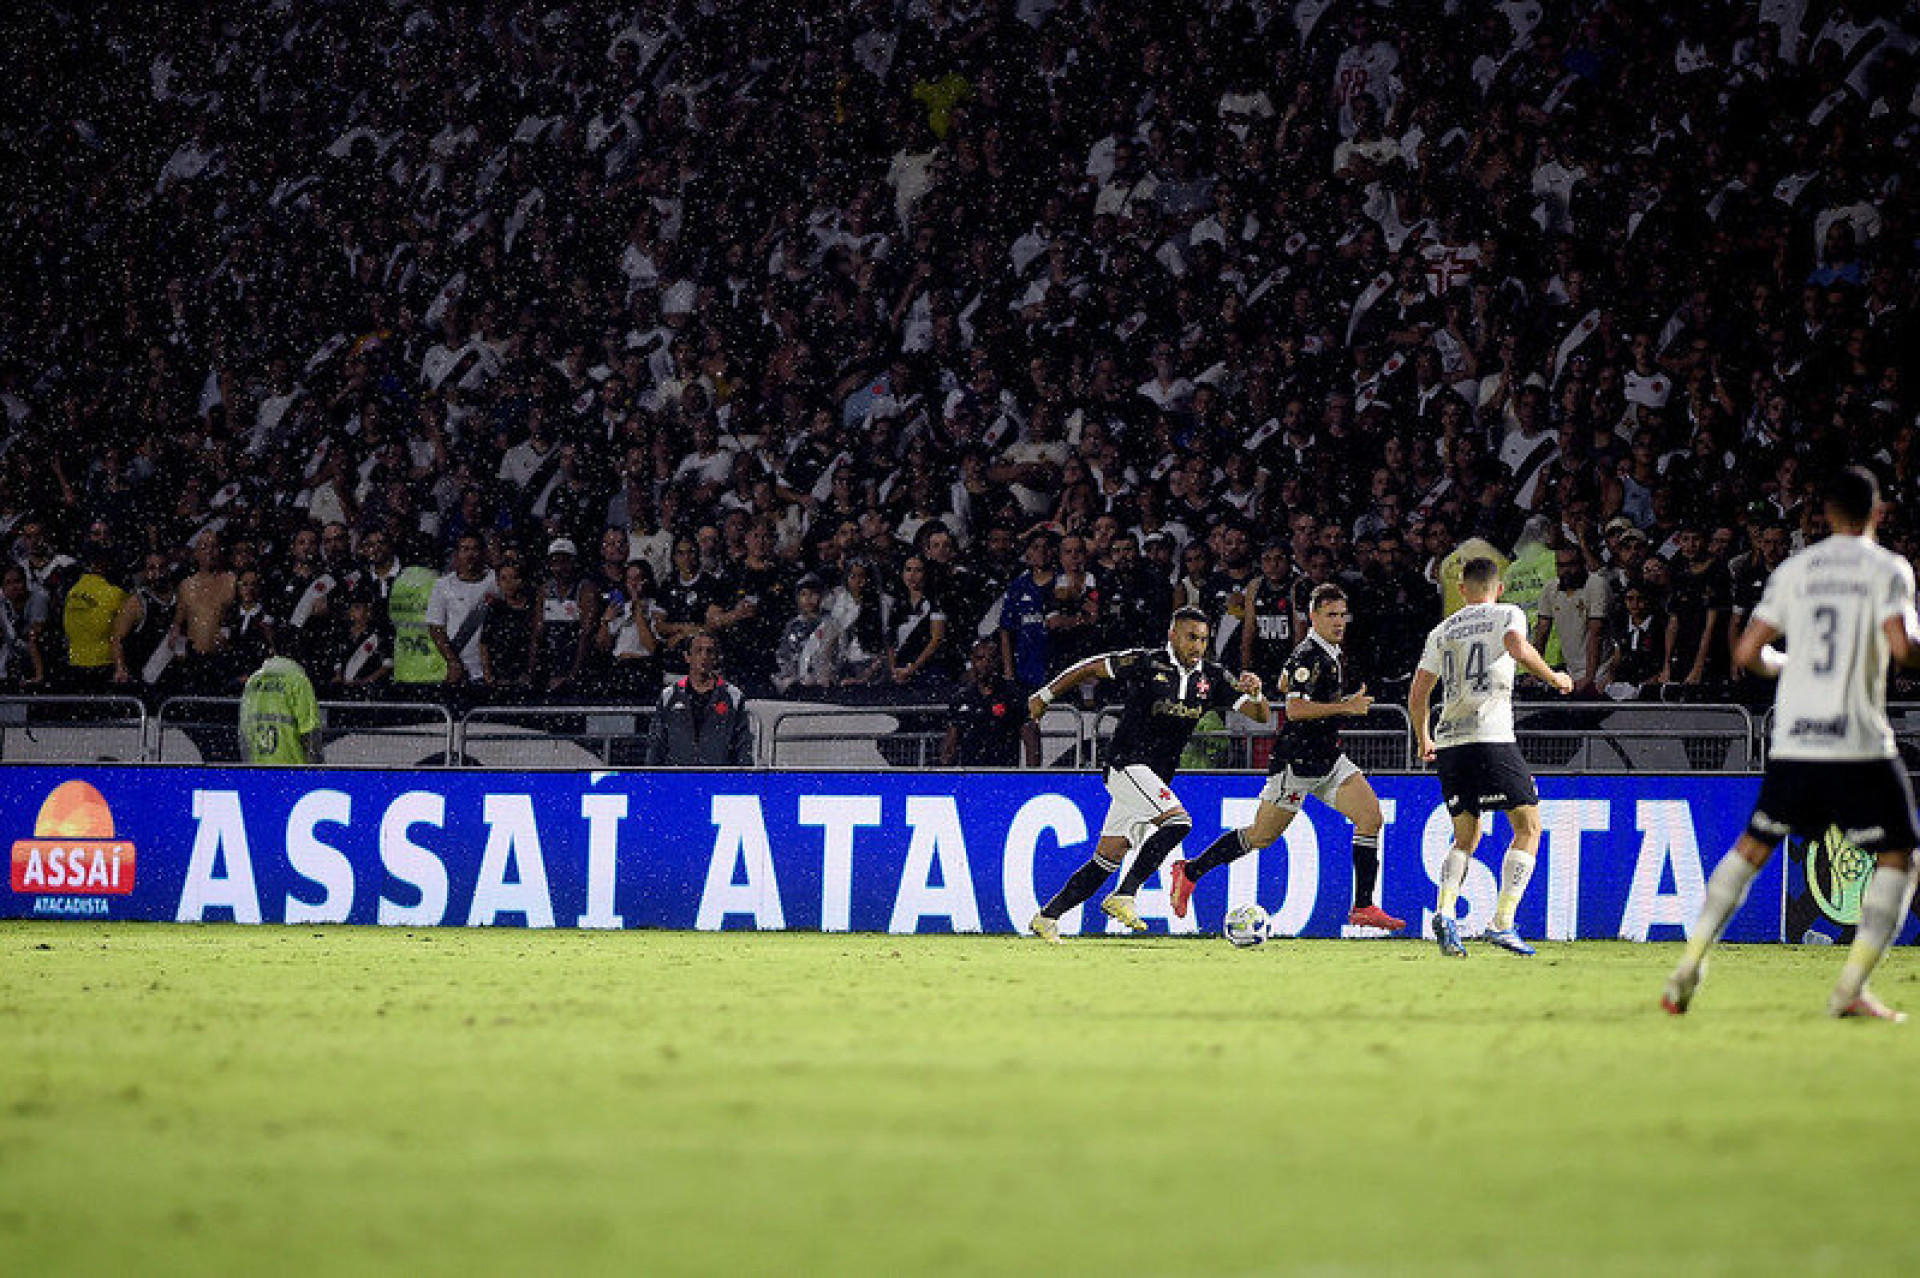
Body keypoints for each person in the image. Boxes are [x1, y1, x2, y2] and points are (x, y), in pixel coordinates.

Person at [1663, 468, 1920, 1021]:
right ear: (1878, 512)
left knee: (1752, 849)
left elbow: (1749, 653)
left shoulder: (1795, 569)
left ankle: (1692, 958)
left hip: (1795, 739)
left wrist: (1789, 662)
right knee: (1899, 855)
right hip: (1856, 742)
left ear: (1824, 514)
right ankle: (1850, 987)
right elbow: (1903, 649)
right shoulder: (1888, 569)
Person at [1170, 584, 1407, 933]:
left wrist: (1323, 696)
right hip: (1296, 764)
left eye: (1343, 614)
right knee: (1260, 837)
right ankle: (1189, 872)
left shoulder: (1324, 652)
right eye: (1331, 615)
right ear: (1313, 616)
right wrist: (1346, 706)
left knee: (1370, 818)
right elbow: (1294, 710)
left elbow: (1285, 683)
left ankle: (1363, 906)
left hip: (1327, 758)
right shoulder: (1310, 654)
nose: (1339, 622)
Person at [1025, 606, 1270, 943]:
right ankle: (1125, 895)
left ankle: (1047, 916)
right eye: (1190, 638)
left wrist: (1257, 693)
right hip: (1126, 765)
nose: (1197, 646)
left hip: (1154, 778)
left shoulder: (1210, 678)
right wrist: (1046, 695)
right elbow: (1093, 667)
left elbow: (1259, 715)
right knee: (1179, 822)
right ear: (1173, 635)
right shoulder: (1146, 662)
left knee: (1106, 859)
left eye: (1202, 639)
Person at [1408, 556, 1573, 957]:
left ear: (1462, 589)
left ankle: (1446, 912)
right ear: (1498, 588)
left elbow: (1418, 694)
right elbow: (1516, 647)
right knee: (1528, 827)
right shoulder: (1508, 613)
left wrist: (1423, 738)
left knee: (1466, 836)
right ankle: (1501, 923)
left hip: (1449, 742)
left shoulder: (1442, 630)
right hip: (1491, 737)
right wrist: (1553, 676)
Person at [645, 630, 754, 767]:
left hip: (718, 780)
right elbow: (656, 744)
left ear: (716, 658)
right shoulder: (669, 696)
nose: (704, 656)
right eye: (698, 651)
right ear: (687, 657)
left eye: (709, 652)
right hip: (678, 779)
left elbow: (743, 745)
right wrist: (650, 777)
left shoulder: (733, 696)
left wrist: (744, 779)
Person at [941, 638, 1040, 767]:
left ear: (998, 661)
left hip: (1003, 775)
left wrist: (1031, 780)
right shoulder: (961, 698)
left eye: (991, 658)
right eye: (980, 658)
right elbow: (949, 746)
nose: (985, 664)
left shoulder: (1014, 696)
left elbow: (1032, 743)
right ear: (972, 661)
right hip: (970, 775)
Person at [239, 654, 321, 764]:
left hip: (259, 768)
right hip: (291, 770)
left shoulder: (253, 681)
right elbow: (310, 733)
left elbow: (244, 732)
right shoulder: (298, 681)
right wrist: (315, 772)